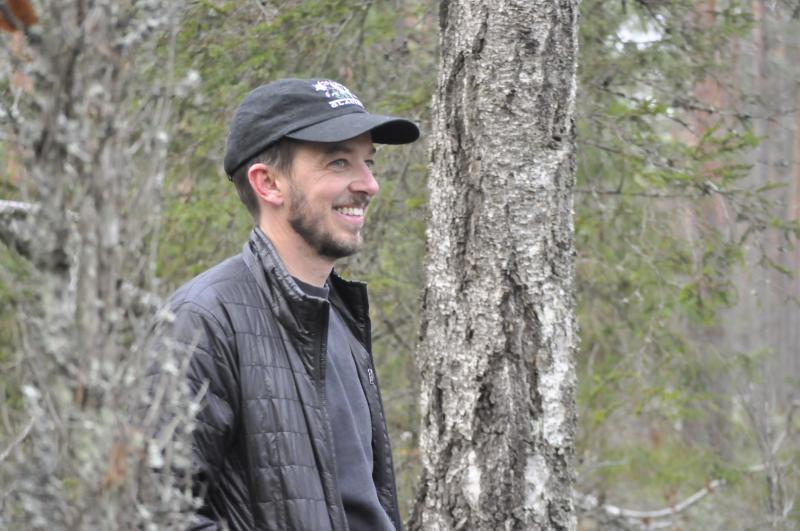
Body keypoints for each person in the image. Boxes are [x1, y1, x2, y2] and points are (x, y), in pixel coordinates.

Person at [165, 78, 419, 530]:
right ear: (268, 183)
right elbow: (154, 513)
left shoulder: (340, 315)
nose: (369, 184)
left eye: (368, 163)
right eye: (339, 162)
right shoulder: (203, 320)